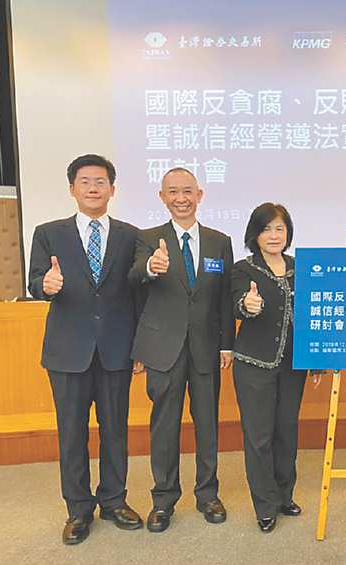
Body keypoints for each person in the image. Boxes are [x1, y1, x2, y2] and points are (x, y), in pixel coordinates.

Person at [28, 154, 143, 544]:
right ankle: (78, 509)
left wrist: (139, 348)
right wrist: (46, 285)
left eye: (100, 182)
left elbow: (137, 292)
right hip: (67, 352)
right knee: (72, 434)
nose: (93, 188)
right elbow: (35, 281)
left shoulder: (131, 236)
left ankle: (114, 500)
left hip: (116, 349)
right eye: (85, 182)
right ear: (72, 189)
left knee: (115, 431)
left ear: (112, 189)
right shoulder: (49, 233)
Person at [129, 167, 234, 533]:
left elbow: (224, 297)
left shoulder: (219, 241)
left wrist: (227, 344)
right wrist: (150, 267)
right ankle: (163, 500)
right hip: (163, 349)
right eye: (172, 191)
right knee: (164, 426)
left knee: (208, 424)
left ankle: (208, 495)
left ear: (200, 195)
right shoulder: (147, 239)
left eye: (187, 191)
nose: (181, 198)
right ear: (162, 197)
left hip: (206, 347)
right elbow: (134, 278)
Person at [231, 203, 319, 533]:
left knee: (286, 432)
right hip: (254, 364)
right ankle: (265, 506)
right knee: (259, 437)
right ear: (255, 234)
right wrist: (247, 304)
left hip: (293, 365)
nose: (273, 235)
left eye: (279, 228)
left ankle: (284, 496)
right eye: (266, 229)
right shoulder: (244, 269)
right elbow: (237, 303)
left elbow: (313, 315)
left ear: (288, 233)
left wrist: (317, 362)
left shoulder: (301, 268)